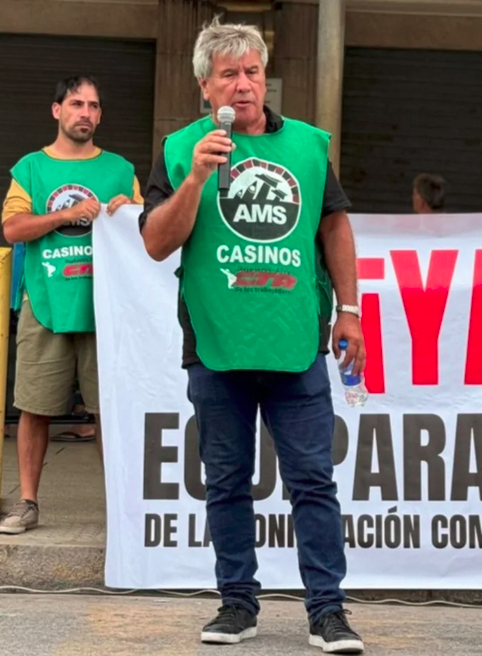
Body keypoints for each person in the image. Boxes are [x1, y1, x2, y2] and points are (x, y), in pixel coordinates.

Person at [138, 19, 365, 652]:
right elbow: (156, 243)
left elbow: (334, 228)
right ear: (204, 86)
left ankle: (328, 611)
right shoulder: (181, 149)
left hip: (294, 342)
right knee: (227, 481)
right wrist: (194, 180)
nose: (243, 85)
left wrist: (350, 309)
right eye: (228, 74)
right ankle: (237, 604)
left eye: (253, 72)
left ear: (266, 79)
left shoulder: (309, 146)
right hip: (216, 343)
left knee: (313, 481)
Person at [0, 76, 141, 534]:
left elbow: (149, 231)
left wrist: (130, 210)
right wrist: (66, 213)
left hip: (106, 309)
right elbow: (13, 228)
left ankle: (121, 511)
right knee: (34, 407)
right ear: (56, 110)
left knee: (110, 412)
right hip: (46, 303)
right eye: (77, 103)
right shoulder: (31, 168)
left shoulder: (120, 170)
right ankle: (27, 503)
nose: (86, 113)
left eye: (94, 106)